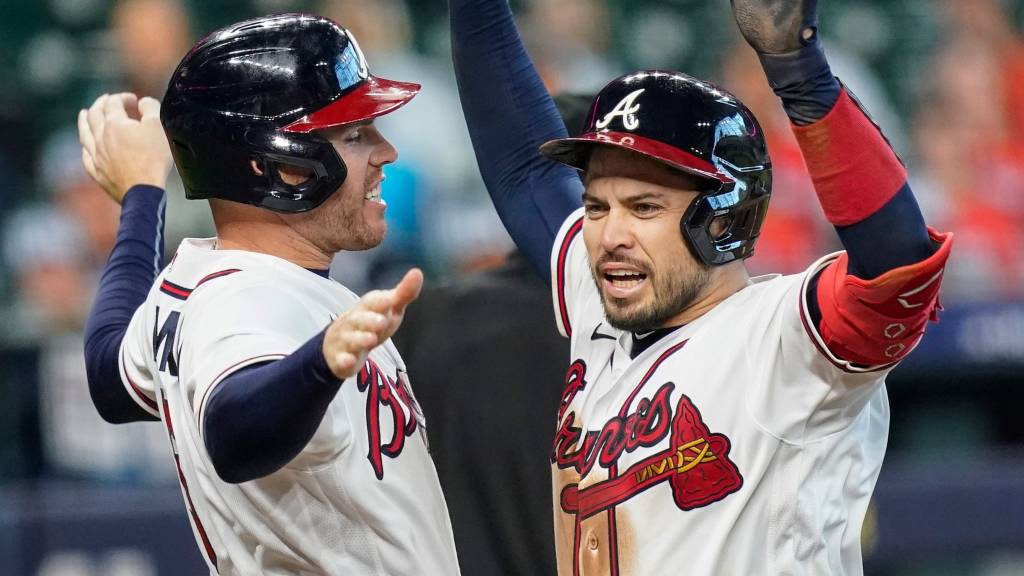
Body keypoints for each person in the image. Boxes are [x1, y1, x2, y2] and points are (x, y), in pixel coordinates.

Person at [451, 0, 952, 574]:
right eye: (596, 206)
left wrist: (803, 77)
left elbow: (898, 265)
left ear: (722, 220)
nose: (610, 234)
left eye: (644, 208)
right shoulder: (604, 304)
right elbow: (524, 170)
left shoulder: (781, 341)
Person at [78, 14, 459, 575]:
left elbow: (108, 372)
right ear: (280, 167)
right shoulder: (249, 299)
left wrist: (141, 193)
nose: (387, 152)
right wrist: (319, 364)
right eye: (356, 136)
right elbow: (234, 434)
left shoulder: (197, 278)